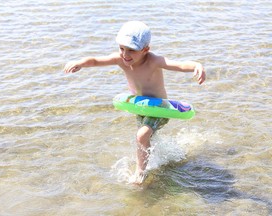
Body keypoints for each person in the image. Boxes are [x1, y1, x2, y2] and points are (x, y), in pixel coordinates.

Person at [64, 21, 206, 184]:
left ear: (146, 50)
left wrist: (197, 65)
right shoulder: (120, 59)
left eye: (132, 50)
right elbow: (96, 60)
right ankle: (163, 157)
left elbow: (179, 64)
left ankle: (140, 173)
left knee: (141, 136)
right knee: (145, 139)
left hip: (159, 109)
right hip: (140, 107)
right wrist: (80, 63)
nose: (125, 54)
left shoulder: (153, 61)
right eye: (122, 48)